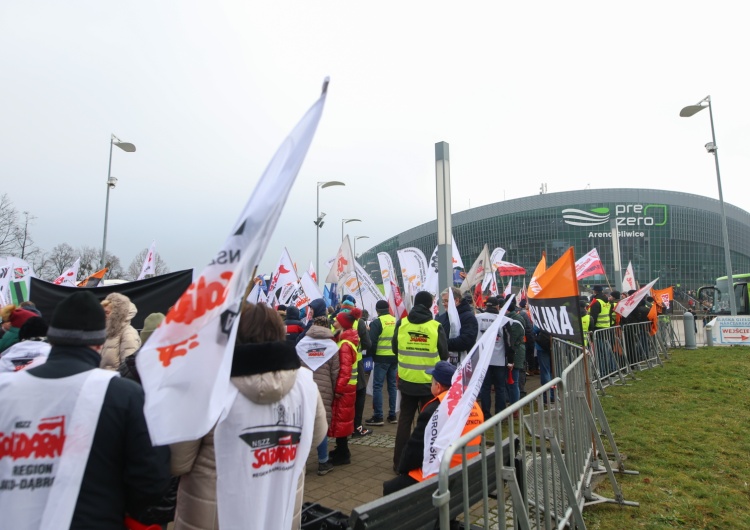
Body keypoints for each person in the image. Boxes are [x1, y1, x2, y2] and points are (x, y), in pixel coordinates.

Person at [0, 291, 171, 528]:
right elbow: (152, 479)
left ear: (52, 336)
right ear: (100, 341)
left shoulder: (5, 388)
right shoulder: (124, 395)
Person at [170, 303, 327, 530]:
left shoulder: (207, 386)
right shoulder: (306, 384)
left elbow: (177, 461)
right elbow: (315, 437)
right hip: (279, 509)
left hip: (213, 515)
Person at [383, 361, 483, 495]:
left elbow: (415, 450)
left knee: (390, 489)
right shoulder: (473, 405)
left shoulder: (435, 410)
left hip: (443, 475)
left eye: (432, 381)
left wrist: (402, 469)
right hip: (468, 470)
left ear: (438, 386)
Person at [391, 291, 449, 471]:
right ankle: (425, 461)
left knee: (405, 421)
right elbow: (444, 354)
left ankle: (399, 462)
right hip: (429, 384)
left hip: (407, 380)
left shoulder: (402, 323)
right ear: (431, 305)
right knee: (429, 423)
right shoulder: (435, 326)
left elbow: (395, 348)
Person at [297, 315, 340, 476]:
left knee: (302, 425)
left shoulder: (301, 344)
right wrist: (335, 390)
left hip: (304, 386)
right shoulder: (332, 346)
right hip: (325, 389)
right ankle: (323, 462)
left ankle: (300, 464)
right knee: (320, 425)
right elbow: (335, 371)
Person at [328, 308, 361, 465]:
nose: (333, 322)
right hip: (348, 386)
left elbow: (345, 370)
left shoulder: (345, 345)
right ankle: (341, 449)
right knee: (342, 419)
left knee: (341, 420)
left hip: (345, 387)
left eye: (336, 320)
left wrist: (339, 389)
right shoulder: (344, 340)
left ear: (341, 324)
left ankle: (343, 453)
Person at [339, 296, 373, 437]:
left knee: (341, 397)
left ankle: (341, 428)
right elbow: (368, 344)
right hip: (355, 364)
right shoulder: (358, 322)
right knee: (359, 395)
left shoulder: (333, 320)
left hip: (337, 363)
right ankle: (356, 426)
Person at [477, 297, 513, 418]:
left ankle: (486, 415)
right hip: (499, 359)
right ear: (498, 307)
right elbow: (509, 342)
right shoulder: (504, 320)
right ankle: (500, 415)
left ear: (486, 305)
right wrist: (511, 360)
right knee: (500, 388)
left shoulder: (477, 318)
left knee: (485, 388)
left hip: (483, 359)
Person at [366, 299, 398, 426]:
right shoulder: (396, 320)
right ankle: (392, 415)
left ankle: (378, 416)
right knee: (392, 386)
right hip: (394, 358)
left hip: (381, 358)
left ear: (377, 310)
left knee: (378, 387)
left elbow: (371, 342)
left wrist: (371, 356)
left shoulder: (377, 322)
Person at [436, 286, 478, 365]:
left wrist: (442, 344)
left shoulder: (468, 317)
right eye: (443, 301)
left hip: (463, 363)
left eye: (446, 301)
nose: (444, 304)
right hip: (444, 364)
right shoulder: (441, 318)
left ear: (457, 300)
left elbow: (466, 341)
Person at [100, 292, 141, 370]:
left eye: (107, 312)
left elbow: (129, 368)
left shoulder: (128, 333)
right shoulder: (106, 332)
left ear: (117, 314)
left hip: (115, 380)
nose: (103, 315)